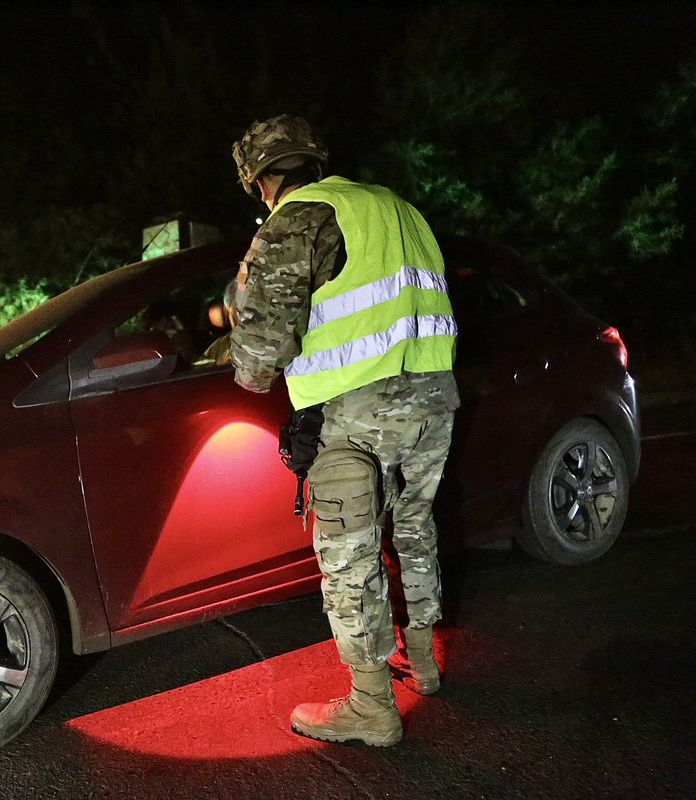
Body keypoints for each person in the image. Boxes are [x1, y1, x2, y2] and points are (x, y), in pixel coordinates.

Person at [227, 114, 460, 747]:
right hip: (433, 400)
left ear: (261, 179)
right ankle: (424, 664)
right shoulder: (398, 208)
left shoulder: (296, 220)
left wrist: (238, 329)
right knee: (414, 529)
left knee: (350, 559)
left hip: (354, 416)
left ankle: (371, 707)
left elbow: (258, 360)